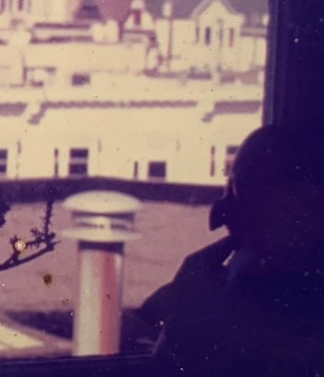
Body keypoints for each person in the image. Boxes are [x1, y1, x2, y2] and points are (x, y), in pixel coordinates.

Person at [138, 124, 324, 376]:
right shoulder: (241, 270)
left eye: (243, 192)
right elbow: (149, 316)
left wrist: (193, 321)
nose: (224, 211)